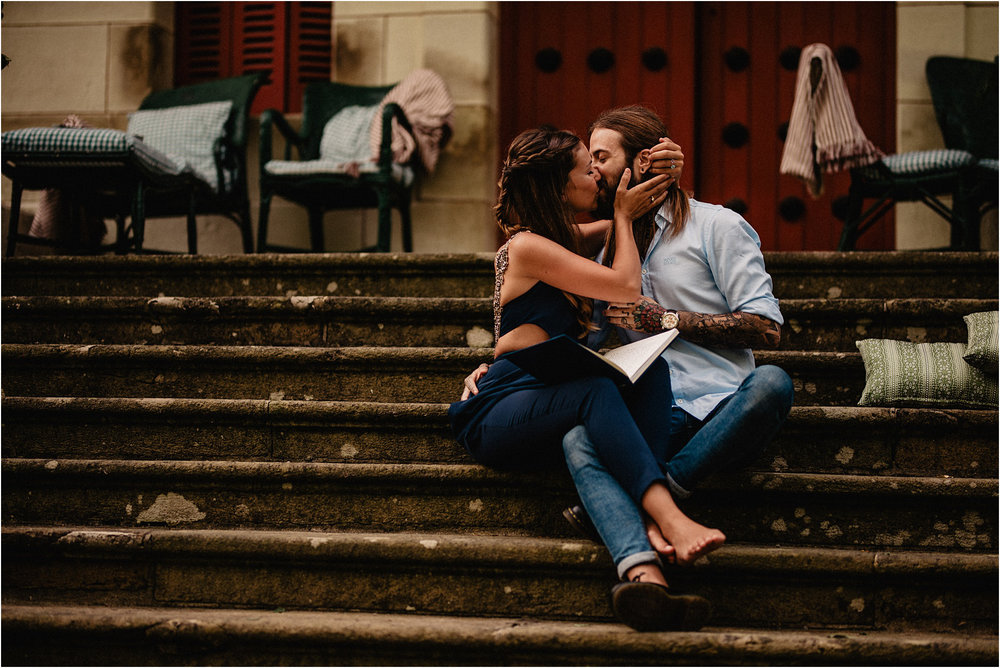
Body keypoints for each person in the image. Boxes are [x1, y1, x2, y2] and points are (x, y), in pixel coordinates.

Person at [449, 125, 719, 632]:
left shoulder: (557, 240)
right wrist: (619, 213)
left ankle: (643, 562)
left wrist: (647, 176)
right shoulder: (529, 247)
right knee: (595, 388)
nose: (595, 173)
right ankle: (670, 518)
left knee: (651, 371)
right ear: (558, 186)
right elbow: (623, 286)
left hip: (549, 400)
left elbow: (632, 223)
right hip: (499, 410)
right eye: (584, 167)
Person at [562, 105, 794, 577]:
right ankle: (641, 553)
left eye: (602, 158)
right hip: (652, 413)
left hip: (722, 411)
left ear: (642, 162)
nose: (593, 171)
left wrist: (665, 319)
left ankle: (656, 492)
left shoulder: (718, 227)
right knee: (578, 436)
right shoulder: (609, 250)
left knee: (772, 383)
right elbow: (589, 336)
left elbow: (766, 327)